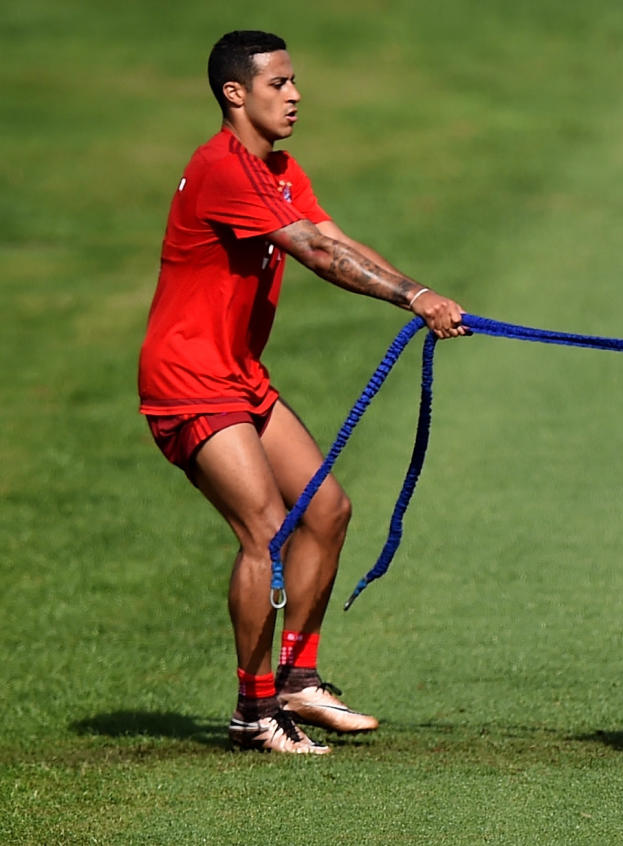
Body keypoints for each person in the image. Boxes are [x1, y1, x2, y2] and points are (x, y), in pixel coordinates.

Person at [139, 30, 467, 754]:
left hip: (238, 375)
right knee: (266, 529)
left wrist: (425, 293)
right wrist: (412, 296)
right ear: (236, 93)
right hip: (188, 379)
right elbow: (317, 256)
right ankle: (253, 714)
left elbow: (332, 235)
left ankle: (295, 680)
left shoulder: (279, 169)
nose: (294, 95)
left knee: (326, 510)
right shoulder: (221, 169)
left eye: (294, 82)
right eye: (278, 84)